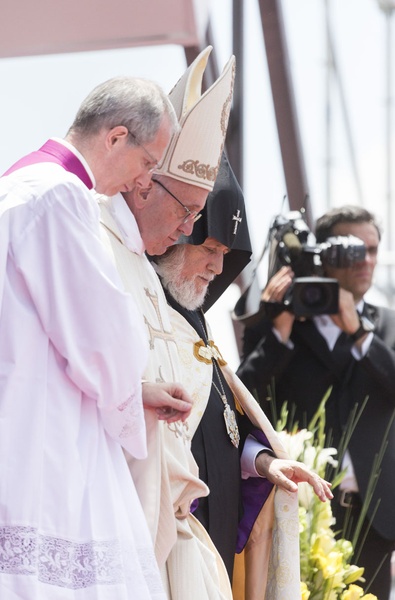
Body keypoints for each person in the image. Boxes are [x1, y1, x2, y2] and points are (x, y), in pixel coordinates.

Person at [0, 75, 193, 599]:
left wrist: (134, 391)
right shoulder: (59, 197)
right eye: (148, 162)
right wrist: (129, 390)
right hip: (49, 438)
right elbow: (103, 340)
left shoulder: (17, 186)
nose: (141, 180)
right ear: (115, 138)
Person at [154, 154, 333, 599]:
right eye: (210, 249)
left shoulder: (194, 319)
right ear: (176, 238)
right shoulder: (147, 319)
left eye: (225, 255)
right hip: (167, 540)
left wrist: (267, 461)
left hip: (213, 537)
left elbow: (221, 426)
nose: (218, 269)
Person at [236, 204, 395, 599]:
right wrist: (279, 334)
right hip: (299, 515)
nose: (366, 260)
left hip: (376, 519)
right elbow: (241, 401)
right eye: (354, 249)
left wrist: (361, 334)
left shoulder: (389, 324)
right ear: (322, 254)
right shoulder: (275, 325)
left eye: (373, 250)